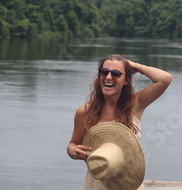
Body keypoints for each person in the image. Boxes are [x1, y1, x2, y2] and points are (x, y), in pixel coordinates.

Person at [67, 54, 172, 189]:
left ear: (126, 80)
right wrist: (73, 151)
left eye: (116, 73)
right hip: (97, 185)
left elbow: (165, 79)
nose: (108, 77)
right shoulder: (85, 112)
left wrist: (135, 66)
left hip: (129, 185)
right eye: (104, 72)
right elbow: (72, 144)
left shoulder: (135, 105)